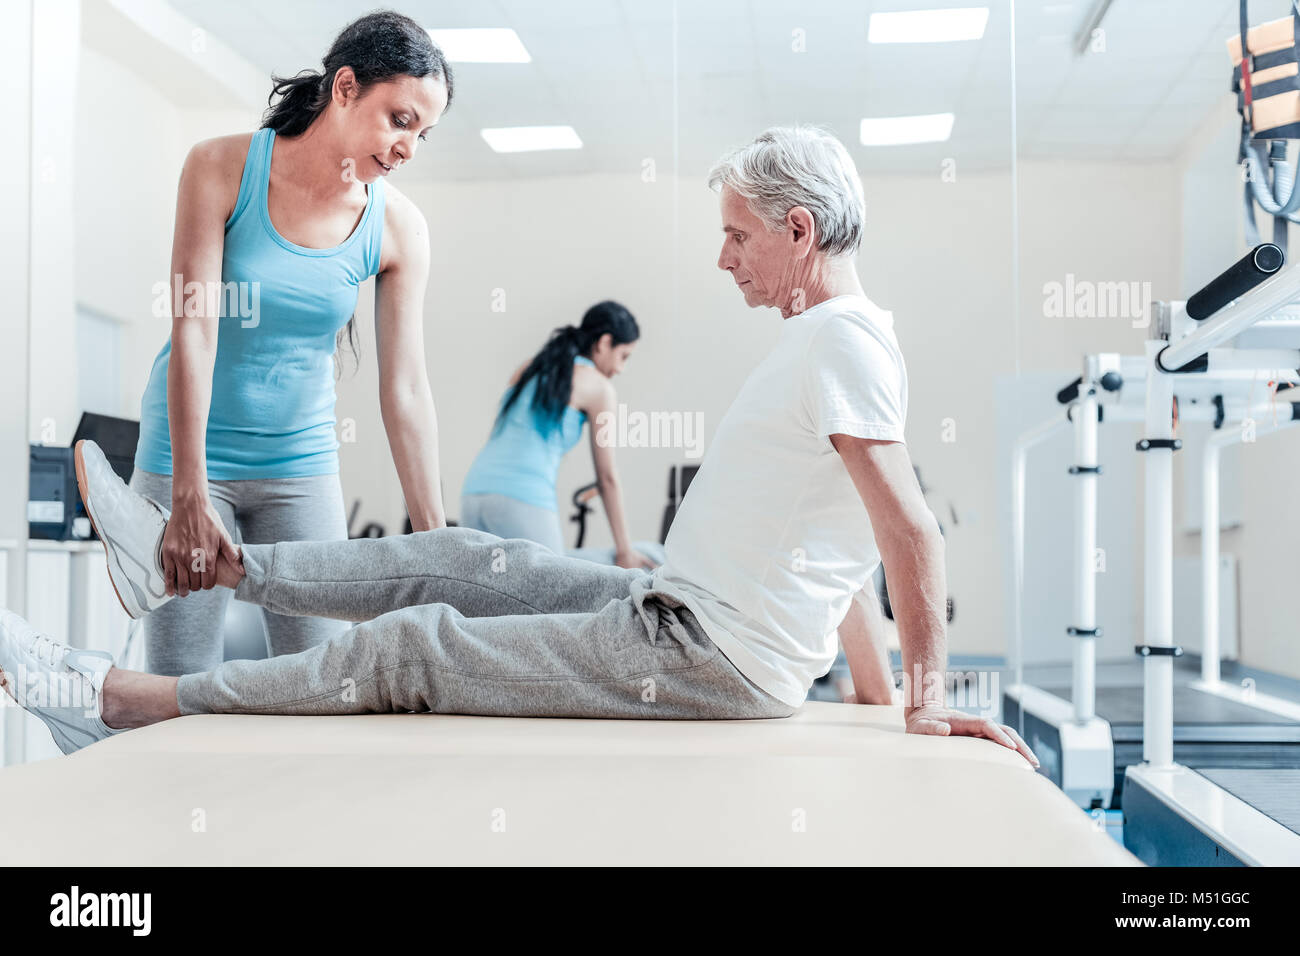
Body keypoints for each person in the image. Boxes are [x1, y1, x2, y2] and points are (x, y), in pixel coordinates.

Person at [0, 126, 1038, 768]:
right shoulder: (828, 343)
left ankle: (119, 698)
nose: (722, 257)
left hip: (701, 655)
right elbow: (847, 536)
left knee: (420, 646)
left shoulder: (844, 342)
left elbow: (905, 523)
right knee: (456, 553)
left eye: (736, 235)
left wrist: (923, 697)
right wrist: (863, 686)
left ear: (798, 230)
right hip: (673, 611)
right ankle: (214, 560)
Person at [130, 11, 452, 677]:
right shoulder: (219, 167)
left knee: (323, 679)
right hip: (187, 459)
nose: (409, 148)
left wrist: (437, 538)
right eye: (399, 119)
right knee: (177, 679)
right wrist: (188, 493)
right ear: (343, 89)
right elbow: (195, 329)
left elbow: (407, 389)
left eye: (424, 132)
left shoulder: (398, 228)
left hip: (300, 466)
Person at [460, 302, 660, 568]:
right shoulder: (599, 388)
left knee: (488, 595)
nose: (621, 369)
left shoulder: (530, 366)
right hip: (523, 499)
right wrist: (624, 551)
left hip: (474, 494)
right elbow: (607, 478)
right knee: (555, 595)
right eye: (623, 356)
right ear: (604, 342)